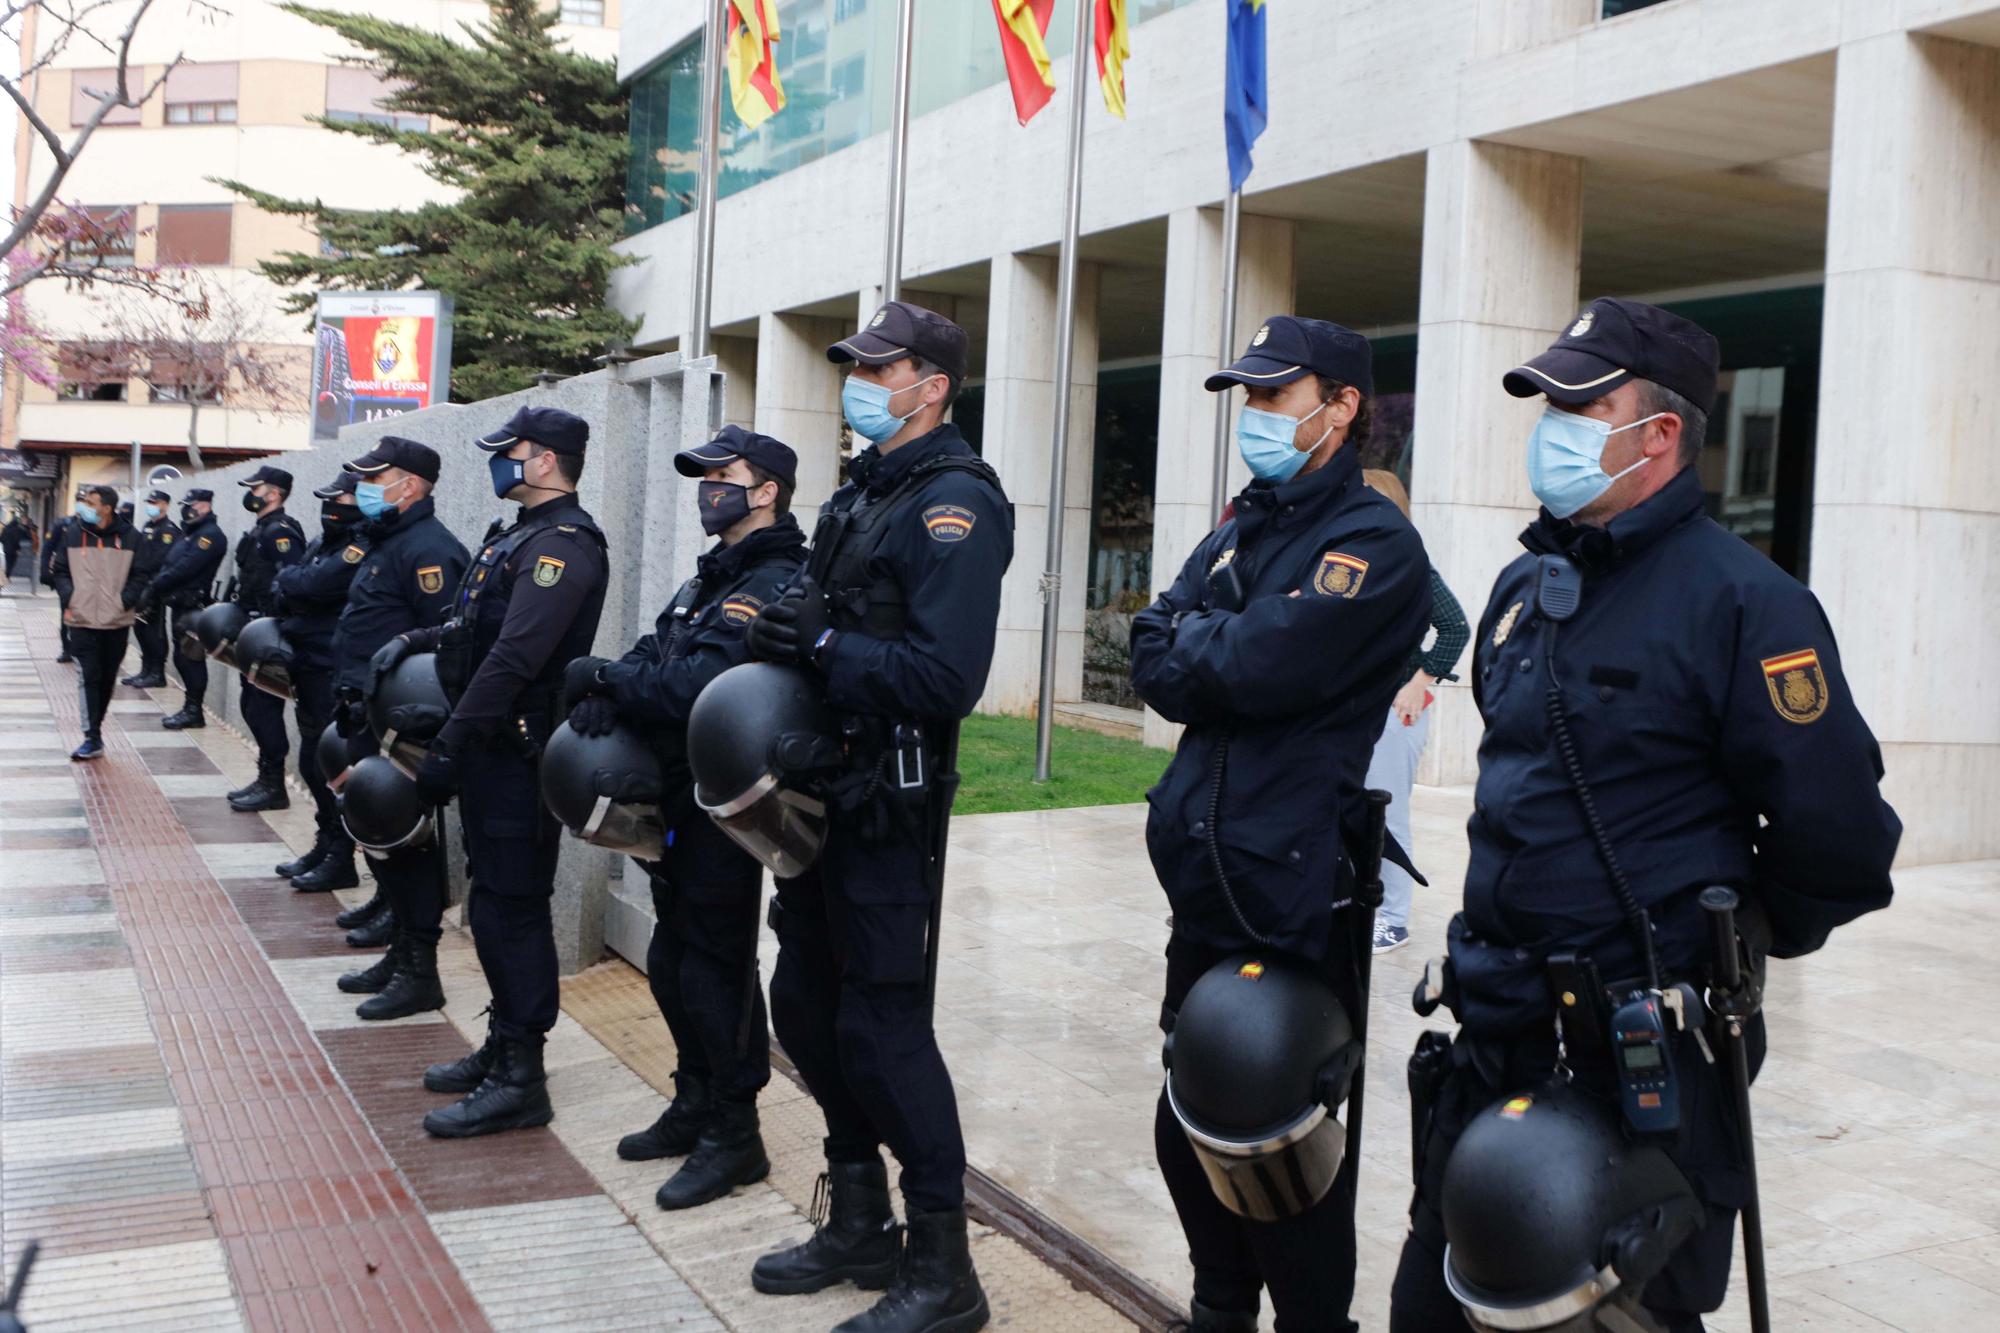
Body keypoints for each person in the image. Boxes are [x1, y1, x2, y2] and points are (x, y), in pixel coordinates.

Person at [1386, 298, 1902, 1333]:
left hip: (1638, 1059)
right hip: (1492, 1035)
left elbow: (1841, 838)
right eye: (1545, 405)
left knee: (1621, 1314)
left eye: (1576, 406)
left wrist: (1741, 937)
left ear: (1657, 432)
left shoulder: (1747, 605)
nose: (1549, 427)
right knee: (1432, 1309)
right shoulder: (1520, 586)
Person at [1128, 316, 1430, 1333]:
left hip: (1296, 881)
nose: (1253, 414)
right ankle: (1219, 1307)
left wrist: (1205, 646)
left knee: (1286, 1131)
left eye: (1272, 395)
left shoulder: (1373, 541)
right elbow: (1153, 647)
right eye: (1247, 397)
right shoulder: (1241, 524)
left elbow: (1258, 666)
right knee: (1190, 1112)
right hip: (1207, 871)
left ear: (1338, 406)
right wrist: (1211, 647)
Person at [743, 301, 1011, 1333]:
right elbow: (821, 622)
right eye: (853, 365)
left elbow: (946, 677)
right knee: (806, 1007)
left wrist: (821, 647)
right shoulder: (865, 494)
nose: (858, 380)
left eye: (877, 366)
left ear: (929, 385)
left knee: (883, 1029)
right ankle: (857, 1218)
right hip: (820, 795)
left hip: (888, 808)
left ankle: (943, 1268)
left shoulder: (954, 504)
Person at [566, 426, 807, 1210]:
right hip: (676, 797)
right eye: (702, 475)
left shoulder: (775, 579)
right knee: (675, 958)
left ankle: (737, 1133)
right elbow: (654, 653)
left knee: (717, 965)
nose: (707, 488)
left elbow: (695, 685)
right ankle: (696, 1100)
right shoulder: (710, 577)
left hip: (727, 805)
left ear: (765, 489)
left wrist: (606, 677)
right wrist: (615, 681)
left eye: (721, 475)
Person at [381, 406, 608, 1139]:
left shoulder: (564, 547)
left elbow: (514, 657)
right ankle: (504, 1044)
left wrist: (450, 742)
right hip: (488, 751)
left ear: (544, 460)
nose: (497, 462)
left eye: (507, 452)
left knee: (513, 910)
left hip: (514, 754)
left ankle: (523, 1076)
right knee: (490, 906)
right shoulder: (518, 537)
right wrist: (414, 638)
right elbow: (472, 626)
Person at [326, 438, 468, 1019]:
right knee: (382, 840)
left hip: (402, 732)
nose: (362, 487)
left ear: (408, 485)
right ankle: (402, 950)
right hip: (368, 715)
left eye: (373, 477)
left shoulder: (429, 550)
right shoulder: (388, 543)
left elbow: (448, 643)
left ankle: (420, 969)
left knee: (408, 846)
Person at [1358, 469, 1469, 956]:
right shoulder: (1349, 564)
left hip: (1394, 711)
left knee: (1387, 814)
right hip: (1352, 707)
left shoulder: (1411, 566)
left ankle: (1392, 919)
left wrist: (1420, 681)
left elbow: (1455, 628)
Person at [270, 471, 369, 893]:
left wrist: (297, 584)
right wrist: (296, 584)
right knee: (312, 761)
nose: (331, 506)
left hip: (333, 666)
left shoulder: (359, 544)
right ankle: (326, 841)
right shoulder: (323, 542)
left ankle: (341, 855)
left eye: (340, 498)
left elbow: (315, 582)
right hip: (307, 663)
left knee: (333, 767)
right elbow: (286, 585)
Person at [224, 465, 308, 812]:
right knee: (252, 707)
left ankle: (274, 786)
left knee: (264, 709)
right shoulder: (261, 529)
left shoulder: (281, 532)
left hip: (269, 633)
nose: (250, 494)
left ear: (273, 493)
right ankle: (265, 778)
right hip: (252, 631)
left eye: (255, 488)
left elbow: (291, 582)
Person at [51, 485, 147, 760]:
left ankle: (96, 727)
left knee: (106, 679)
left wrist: (123, 601)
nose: (85, 506)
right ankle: (91, 736)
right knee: (88, 675)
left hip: (116, 622)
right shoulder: (74, 533)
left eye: (91, 502)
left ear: (107, 508)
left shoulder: (131, 537)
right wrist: (72, 596)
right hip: (81, 620)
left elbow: (142, 575)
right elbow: (60, 571)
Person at [138, 488, 228, 729]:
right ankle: (189, 707)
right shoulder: (190, 533)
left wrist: (155, 586)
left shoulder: (210, 535)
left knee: (191, 659)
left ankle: (194, 710)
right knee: (181, 658)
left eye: (191, 504)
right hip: (178, 603)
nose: (187, 509)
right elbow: (170, 563)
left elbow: (186, 567)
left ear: (205, 506)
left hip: (193, 607)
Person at [122, 489, 183, 689]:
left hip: (156, 586)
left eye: (154, 502)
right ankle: (145, 669)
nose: (151, 505)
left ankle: (157, 672)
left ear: (165, 505)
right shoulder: (148, 526)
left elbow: (165, 560)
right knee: (140, 628)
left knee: (154, 630)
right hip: (141, 584)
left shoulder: (170, 530)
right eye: (149, 502)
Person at [40, 509, 77, 662]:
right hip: (66, 576)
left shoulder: (95, 526)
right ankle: (67, 649)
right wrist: (44, 571)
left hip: (86, 577)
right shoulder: (63, 524)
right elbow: (48, 548)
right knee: (66, 613)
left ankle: (80, 649)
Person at [0, 510, 26, 588]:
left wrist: (5, 544)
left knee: (8, 563)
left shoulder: (6, 529)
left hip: (6, 549)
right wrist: (18, 548)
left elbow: (1, 538)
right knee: (11, 564)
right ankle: (7, 576)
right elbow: (19, 539)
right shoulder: (18, 529)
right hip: (14, 550)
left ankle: (6, 576)